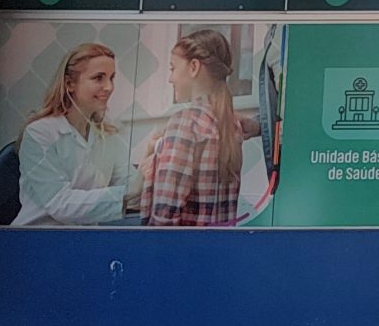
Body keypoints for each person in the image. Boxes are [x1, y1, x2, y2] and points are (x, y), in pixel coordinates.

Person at [14, 41, 137, 226]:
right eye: (99, 78)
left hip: (83, 238)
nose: (109, 87)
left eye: (111, 78)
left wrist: (153, 162)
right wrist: (130, 192)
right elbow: (60, 204)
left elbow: (132, 186)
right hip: (37, 237)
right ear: (70, 84)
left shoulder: (107, 136)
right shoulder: (39, 134)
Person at [137, 28, 244, 227]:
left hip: (180, 246)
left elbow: (164, 217)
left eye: (173, 68)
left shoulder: (185, 123)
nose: (170, 78)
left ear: (194, 67)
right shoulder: (233, 126)